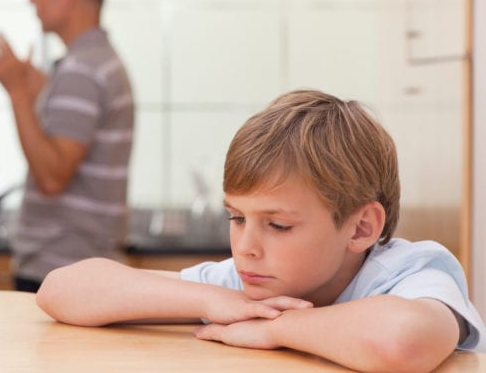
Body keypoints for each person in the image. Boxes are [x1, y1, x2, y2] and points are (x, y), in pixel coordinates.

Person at [37, 89, 486, 373]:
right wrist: (210, 299)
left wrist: (276, 329)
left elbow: (402, 342)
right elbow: (62, 288)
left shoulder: (410, 272)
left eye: (277, 225)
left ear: (361, 227)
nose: (246, 247)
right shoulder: (244, 285)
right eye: (236, 218)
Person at [0, 0, 134, 293]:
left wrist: (18, 93)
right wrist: (41, 92)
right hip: (80, 268)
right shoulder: (99, 62)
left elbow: (52, 177)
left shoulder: (81, 70)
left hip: (60, 269)